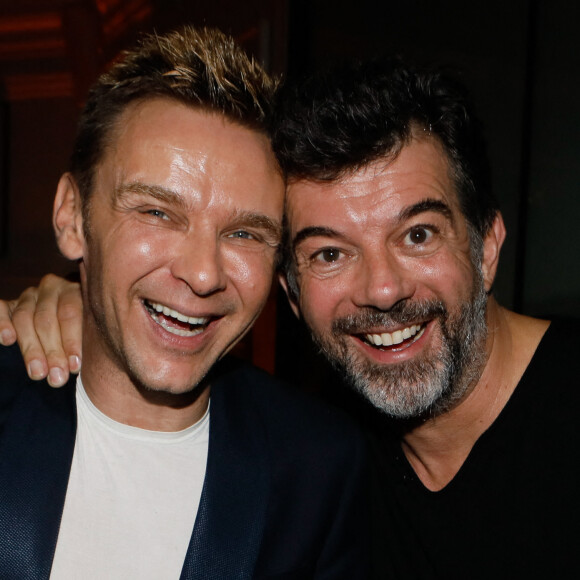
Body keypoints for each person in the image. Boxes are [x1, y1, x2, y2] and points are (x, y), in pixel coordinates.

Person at [4, 57, 579, 578]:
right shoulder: (338, 446)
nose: (381, 290)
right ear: (293, 292)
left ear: (486, 248)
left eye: (418, 234)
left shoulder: (319, 463)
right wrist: (92, 295)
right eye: (329, 253)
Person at [0, 27, 369, 579]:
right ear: (72, 217)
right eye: (156, 213)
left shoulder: (318, 470)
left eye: (245, 234)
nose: (202, 274)